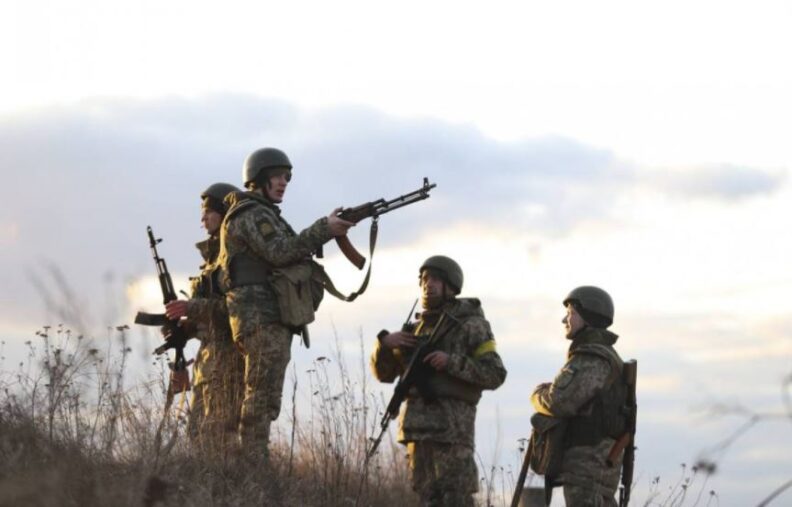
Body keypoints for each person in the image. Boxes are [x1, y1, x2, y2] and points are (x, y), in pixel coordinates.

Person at [216, 147, 354, 462]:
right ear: (260, 178)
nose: (283, 183)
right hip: (259, 317)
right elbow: (280, 252)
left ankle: (253, 458)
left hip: (267, 316)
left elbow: (288, 251)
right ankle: (252, 462)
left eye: (287, 178)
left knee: (265, 395)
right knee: (261, 395)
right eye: (277, 176)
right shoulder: (251, 214)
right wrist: (324, 228)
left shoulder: (264, 213)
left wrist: (326, 231)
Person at [371, 255, 507, 506]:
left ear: (451, 287)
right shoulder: (414, 330)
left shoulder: (471, 325)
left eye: (435, 279)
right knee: (426, 499)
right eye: (424, 279)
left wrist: (451, 362)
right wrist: (385, 346)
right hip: (416, 431)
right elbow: (385, 375)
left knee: (455, 498)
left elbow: (495, 374)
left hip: (451, 432)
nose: (428, 284)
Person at [164, 182, 244, 459]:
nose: (203, 218)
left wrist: (191, 306)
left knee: (220, 436)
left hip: (229, 362)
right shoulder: (211, 262)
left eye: (209, 211)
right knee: (198, 433)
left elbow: (236, 309)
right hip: (208, 361)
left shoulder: (236, 260)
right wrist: (182, 327)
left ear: (225, 215)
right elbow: (207, 317)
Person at [530, 286, 627, 507]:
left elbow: (559, 402)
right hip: (594, 462)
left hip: (588, 463)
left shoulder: (592, 357)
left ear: (588, 317)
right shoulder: (599, 355)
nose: (565, 319)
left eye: (572, 313)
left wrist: (537, 395)